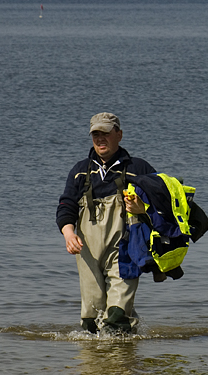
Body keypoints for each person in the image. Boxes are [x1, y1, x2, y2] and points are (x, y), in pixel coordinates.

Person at [56, 113, 156, 334]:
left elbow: (163, 205)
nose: (100, 139)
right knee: (91, 320)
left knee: (117, 316)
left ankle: (124, 363)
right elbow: (66, 205)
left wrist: (143, 208)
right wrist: (69, 234)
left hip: (126, 249)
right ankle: (97, 363)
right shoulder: (79, 171)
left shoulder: (139, 169)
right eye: (96, 134)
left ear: (119, 135)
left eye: (106, 134)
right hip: (87, 250)